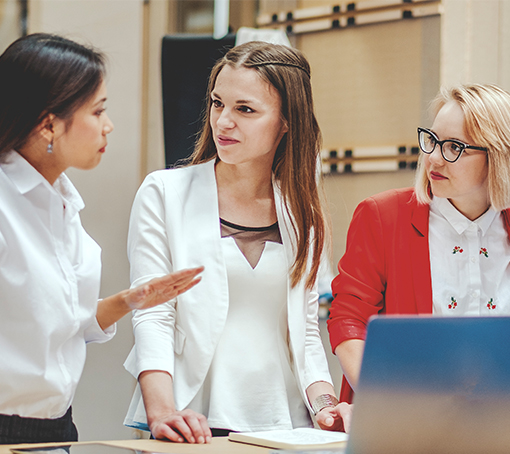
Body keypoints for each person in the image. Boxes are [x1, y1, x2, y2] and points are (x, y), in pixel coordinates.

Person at [123, 41, 351, 443]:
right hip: (190, 420)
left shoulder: (302, 211)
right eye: (217, 103)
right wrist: (162, 413)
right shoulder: (164, 192)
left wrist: (325, 404)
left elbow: (304, 331)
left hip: (287, 424)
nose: (223, 121)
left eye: (244, 109)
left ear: (286, 121)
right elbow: (152, 314)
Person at [0, 33, 203, 445]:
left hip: (55, 425)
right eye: (97, 112)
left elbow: (61, 323)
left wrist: (128, 301)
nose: (108, 125)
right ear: (49, 123)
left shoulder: (61, 200)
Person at [328, 83, 510, 406]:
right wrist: (386, 402)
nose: (434, 159)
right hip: (406, 419)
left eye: (454, 147)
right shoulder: (382, 216)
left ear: (497, 156)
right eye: (432, 141)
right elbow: (348, 320)